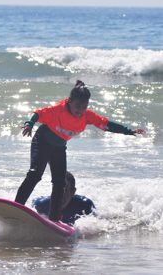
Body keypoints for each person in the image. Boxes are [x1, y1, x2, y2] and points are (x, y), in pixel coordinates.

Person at [14, 80, 145, 222]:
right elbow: (38, 113)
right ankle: (15, 208)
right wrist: (29, 124)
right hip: (43, 140)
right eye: (77, 106)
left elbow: (106, 124)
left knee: (60, 183)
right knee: (35, 174)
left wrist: (128, 131)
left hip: (59, 147)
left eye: (84, 107)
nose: (80, 110)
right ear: (70, 101)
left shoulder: (87, 116)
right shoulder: (58, 109)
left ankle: (54, 220)